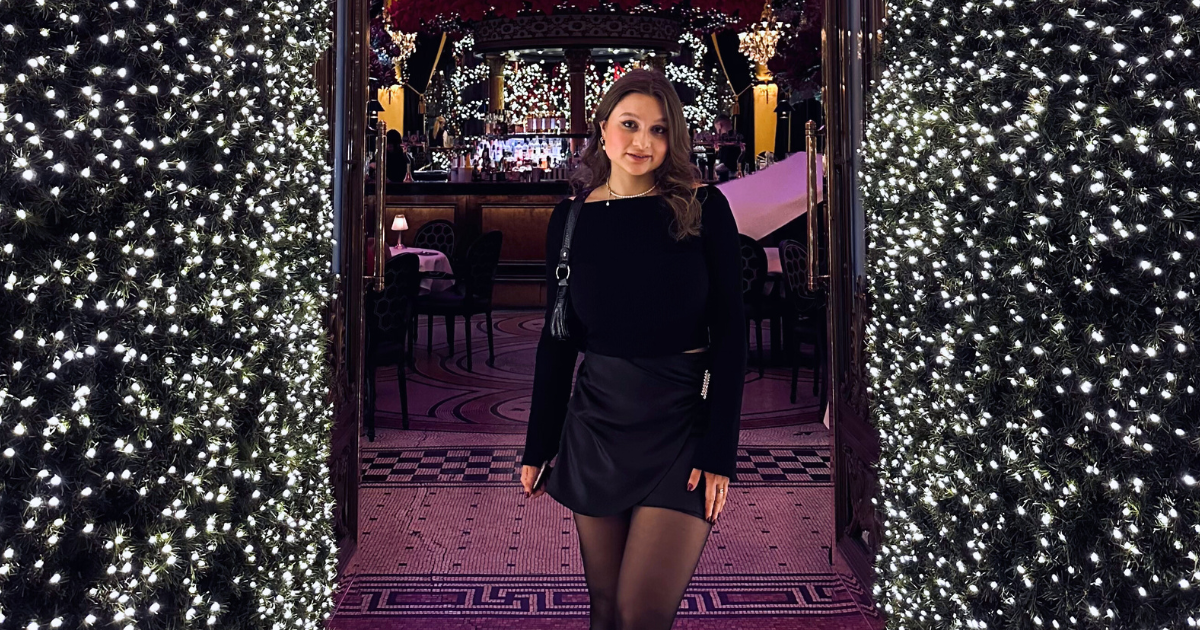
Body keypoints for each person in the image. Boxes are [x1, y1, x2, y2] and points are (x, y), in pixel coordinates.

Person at [520, 69, 747, 630]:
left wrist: (720, 450)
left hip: (681, 425)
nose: (642, 142)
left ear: (674, 140)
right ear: (602, 129)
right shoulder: (571, 219)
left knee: (640, 613)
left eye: (659, 130)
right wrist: (538, 443)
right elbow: (558, 338)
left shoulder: (704, 209)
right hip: (597, 420)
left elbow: (734, 334)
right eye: (629, 125)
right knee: (604, 607)